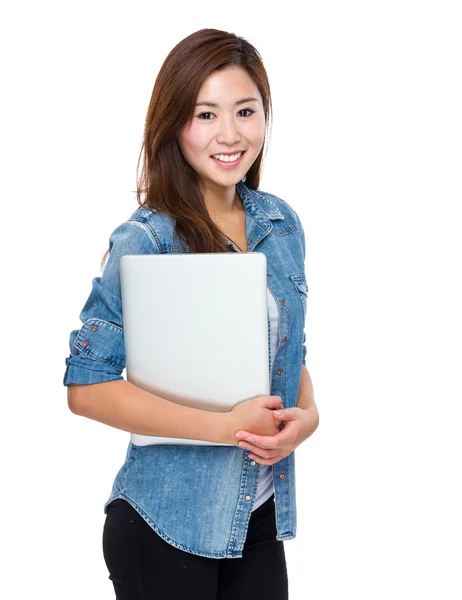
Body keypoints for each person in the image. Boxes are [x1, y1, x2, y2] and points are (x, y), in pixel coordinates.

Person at [63, 28, 319, 600]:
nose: (229, 135)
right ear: (174, 123)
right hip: (165, 523)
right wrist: (226, 427)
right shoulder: (147, 239)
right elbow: (88, 388)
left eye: (245, 111)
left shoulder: (282, 225)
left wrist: (309, 418)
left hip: (258, 516)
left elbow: (288, 354)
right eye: (206, 114)